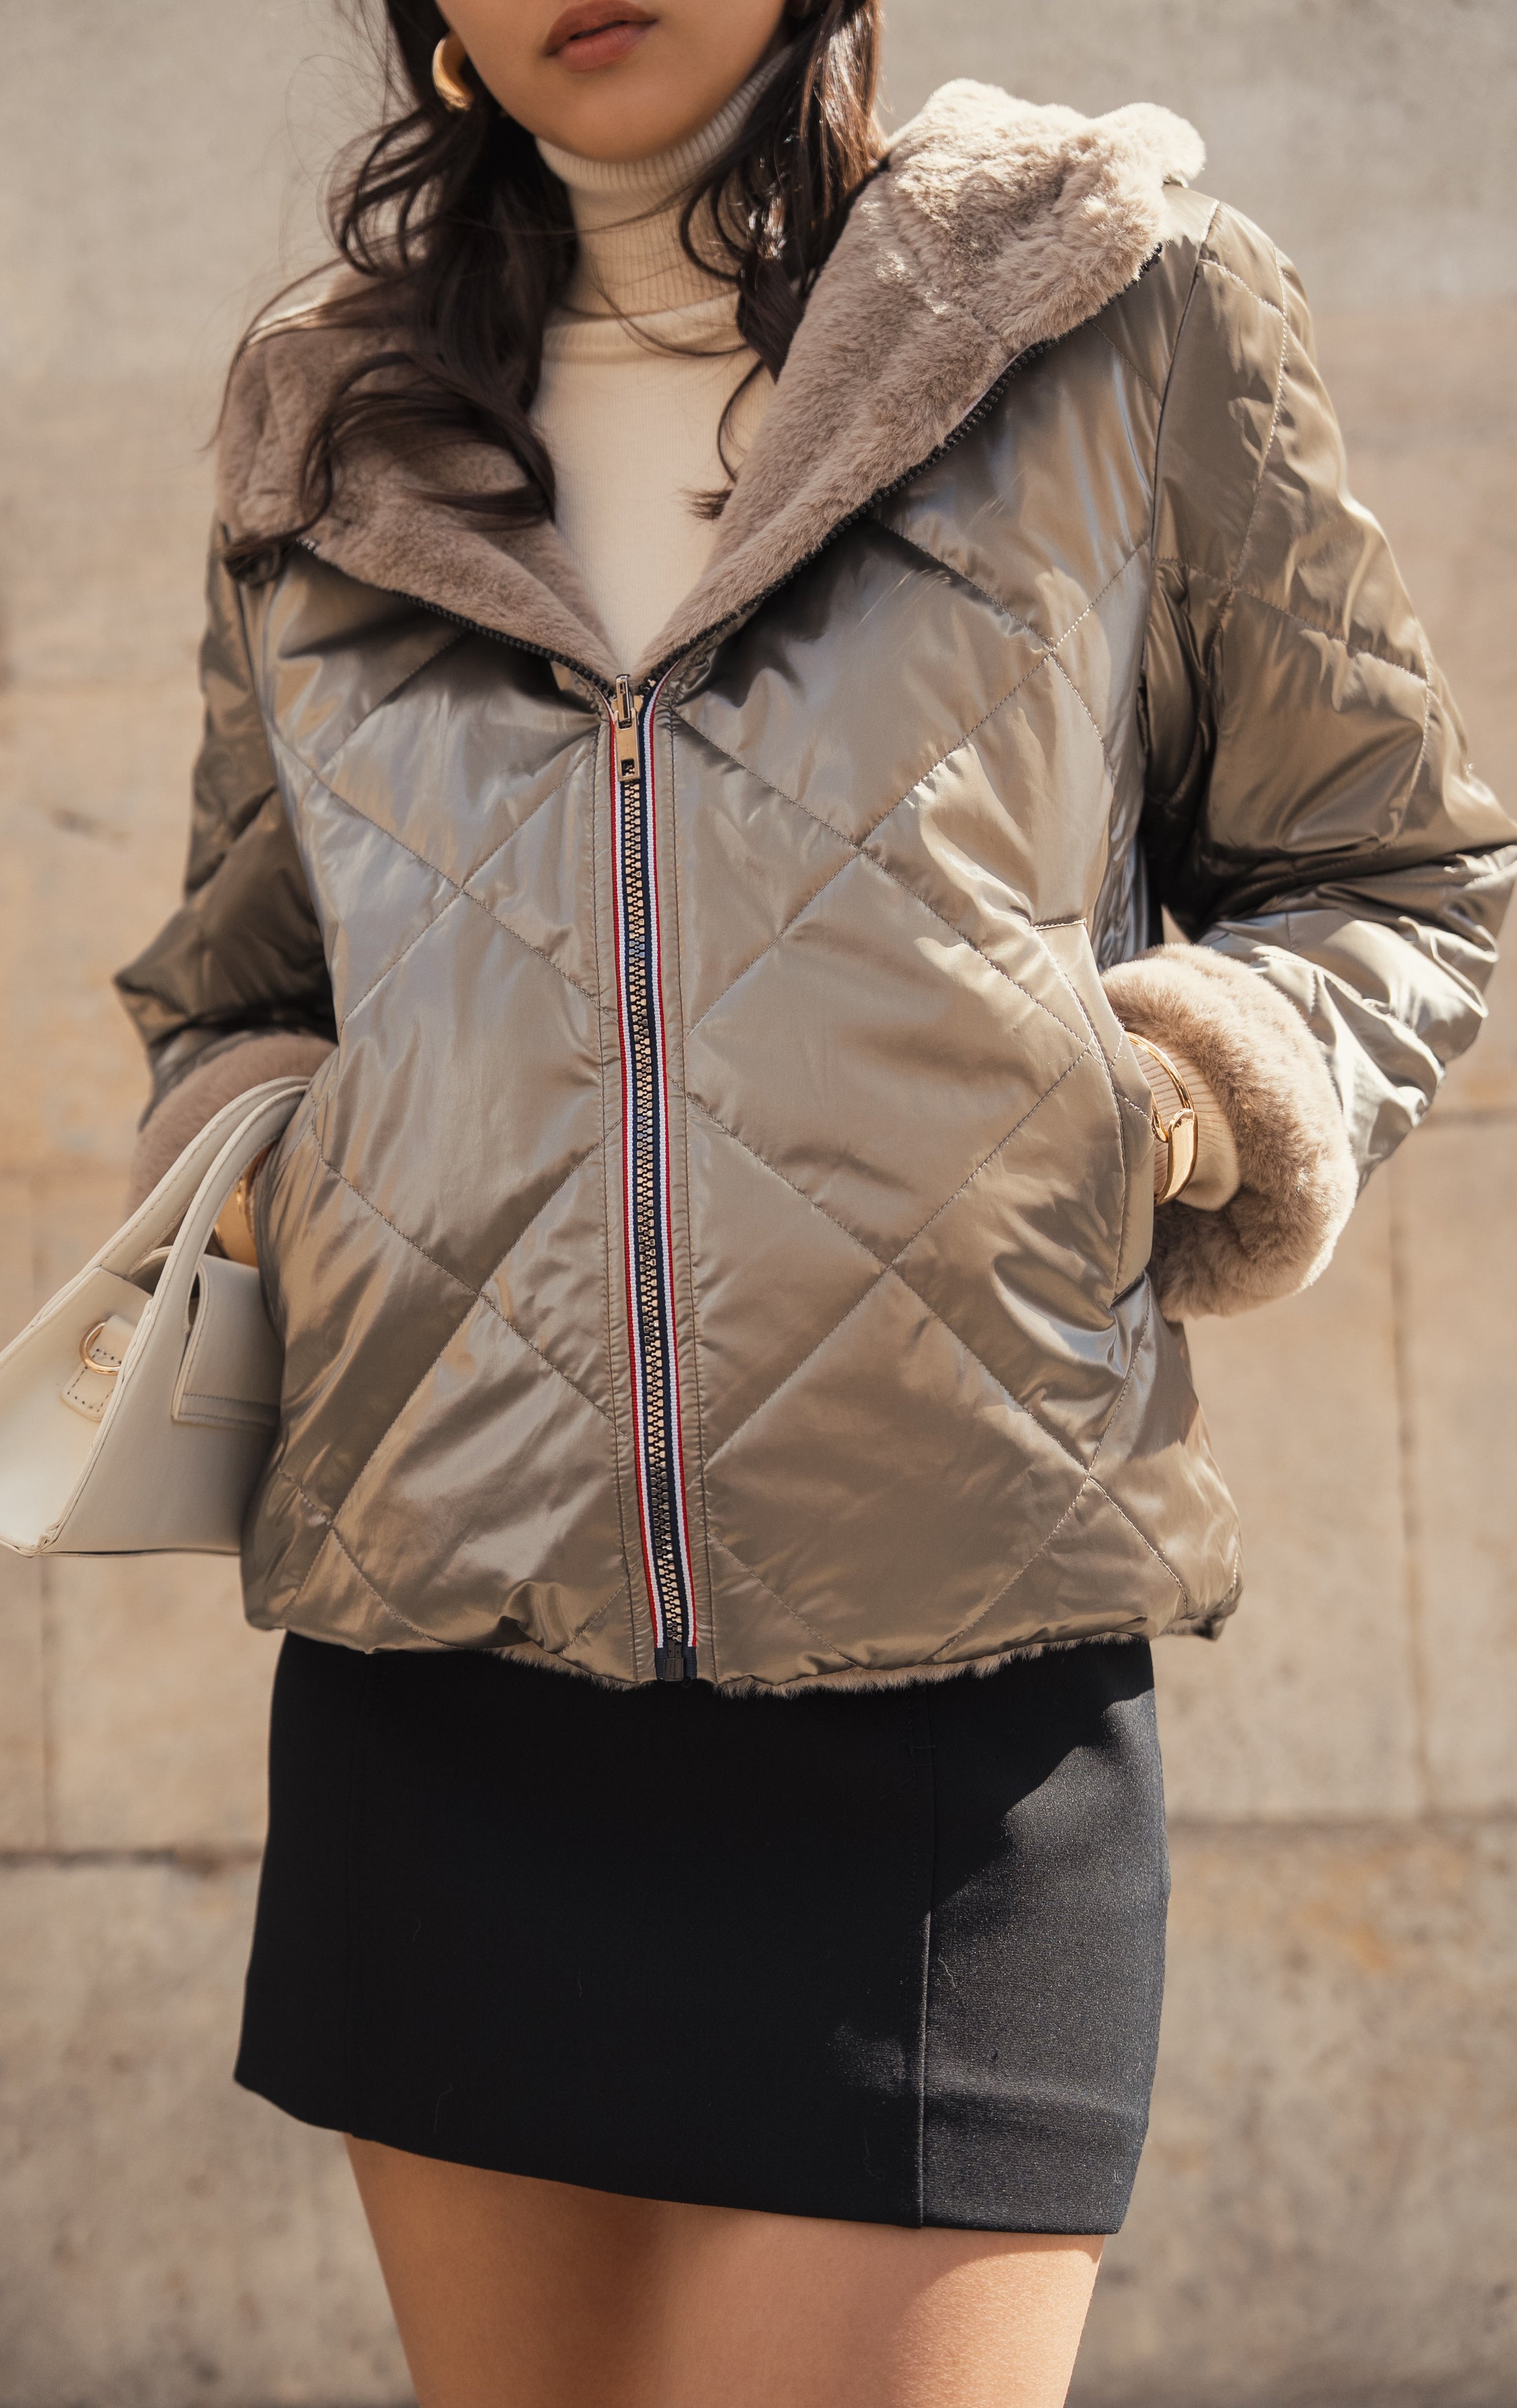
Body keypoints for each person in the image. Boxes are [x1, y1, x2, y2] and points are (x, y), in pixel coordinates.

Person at [111, 3, 1514, 2400]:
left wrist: (1170, 1098)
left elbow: (1395, 880)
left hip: (948, 1717)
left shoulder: (1109, 299)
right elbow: (240, 980)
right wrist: (285, 1181)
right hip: (445, 1697)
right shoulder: (326, 411)